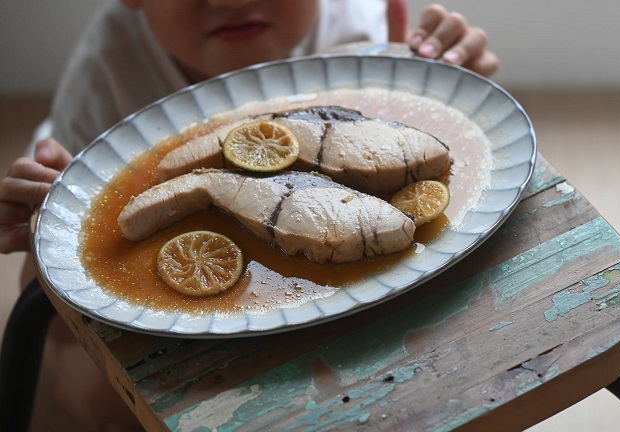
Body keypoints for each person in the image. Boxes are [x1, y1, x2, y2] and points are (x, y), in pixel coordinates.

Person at [0, 0, 498, 429]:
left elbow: (406, 128)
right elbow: (62, 261)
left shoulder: (356, 26)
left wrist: (445, 70)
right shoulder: (106, 71)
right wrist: (45, 214)